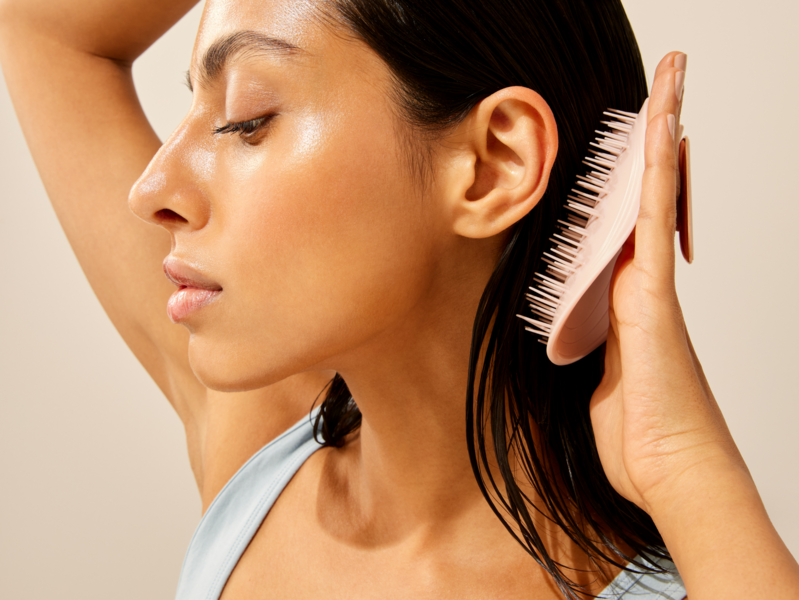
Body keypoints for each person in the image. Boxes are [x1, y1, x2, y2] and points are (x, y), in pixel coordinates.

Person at [1, 0, 797, 598]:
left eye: (246, 119)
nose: (153, 189)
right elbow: (43, 27)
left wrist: (685, 467)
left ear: (492, 163)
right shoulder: (259, 442)